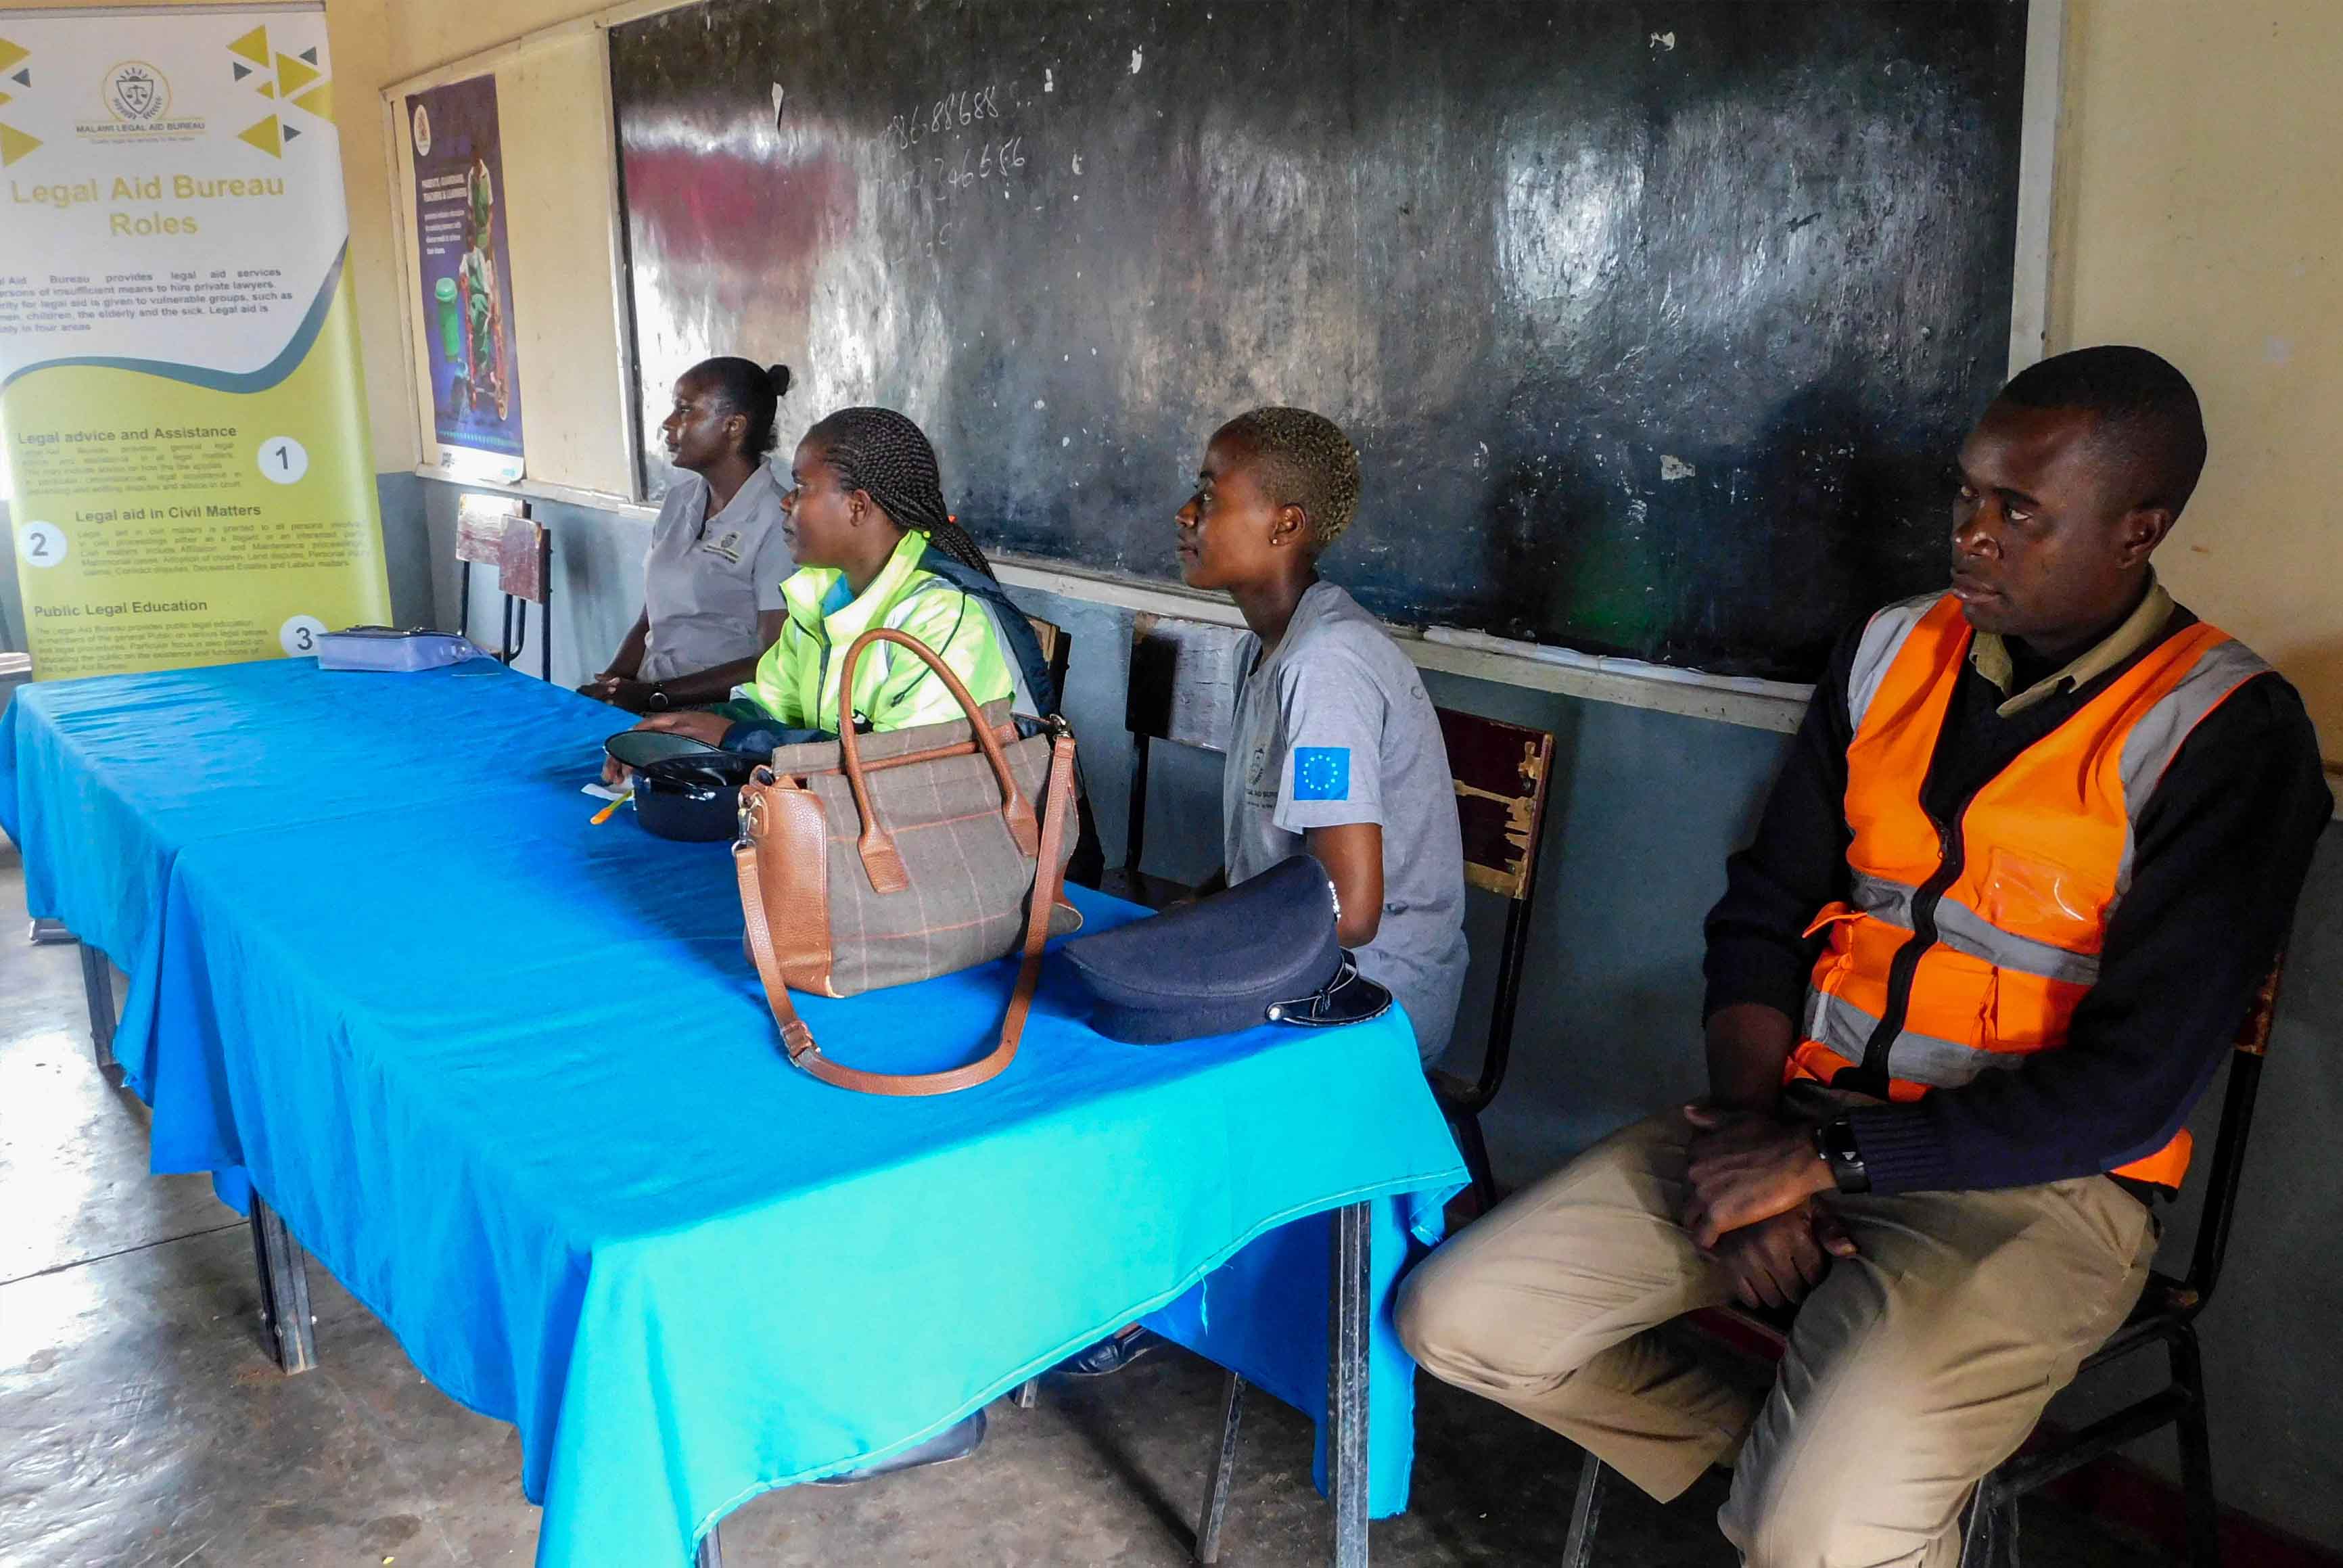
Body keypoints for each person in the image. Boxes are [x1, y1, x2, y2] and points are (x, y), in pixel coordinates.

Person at [1395, 346, 2331, 1565]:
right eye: (1965, 495)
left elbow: (2130, 1086)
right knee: (1454, 1316)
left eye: (2017, 511)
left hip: (2031, 1187)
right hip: (1789, 1115)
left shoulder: (2223, 731)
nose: (1970, 535)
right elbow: (1760, 911)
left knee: (1816, 1524)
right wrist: (1746, 1150)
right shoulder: (1891, 646)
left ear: (2135, 529)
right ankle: (1794, 1477)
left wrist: (1814, 1157)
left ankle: (1824, 1506)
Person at [1178, 406, 1468, 1066]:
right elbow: (1276, 858)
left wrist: (1204, 946)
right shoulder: (1264, 653)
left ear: (1285, 523)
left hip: (1366, 996)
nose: (1184, 514)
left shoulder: (1326, 663)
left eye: (1207, 494)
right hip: (1298, 964)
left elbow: (1348, 914)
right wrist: (1193, 917)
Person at [605, 406, 1059, 777]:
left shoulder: (942, 615)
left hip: (963, 850)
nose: (786, 501)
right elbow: (773, 703)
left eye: (802, 487)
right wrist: (688, 730)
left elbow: (903, 768)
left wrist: (732, 740)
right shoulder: (821, 597)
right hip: (855, 830)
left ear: (858, 507)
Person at [581, 359, 795, 715]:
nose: (668, 423)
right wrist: (613, 683)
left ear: (733, 426)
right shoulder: (680, 501)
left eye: (685, 410)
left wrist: (655, 695)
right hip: (651, 696)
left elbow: (771, 661)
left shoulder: (776, 520)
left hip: (721, 715)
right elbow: (652, 618)